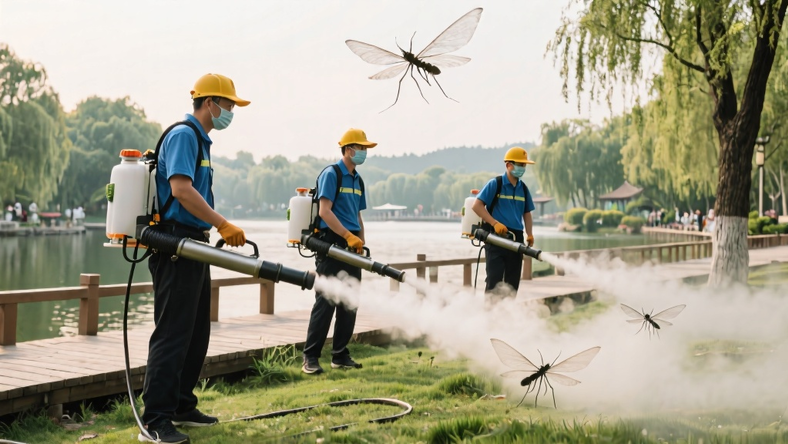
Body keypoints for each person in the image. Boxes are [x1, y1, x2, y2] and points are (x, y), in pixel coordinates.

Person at [139, 73, 250, 444]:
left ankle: (182, 406)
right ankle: (155, 420)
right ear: (209, 103)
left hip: (193, 243)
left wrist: (212, 227)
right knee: (172, 334)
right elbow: (181, 191)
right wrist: (222, 224)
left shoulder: (202, 141)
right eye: (229, 105)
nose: (231, 112)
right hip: (174, 244)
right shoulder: (184, 136)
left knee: (195, 331)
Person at [302, 128, 375, 375]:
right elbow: (324, 211)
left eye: (365, 148)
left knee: (350, 302)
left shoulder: (358, 179)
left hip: (352, 243)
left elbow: (357, 214)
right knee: (327, 300)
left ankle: (340, 355)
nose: (364, 152)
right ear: (347, 149)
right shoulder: (332, 174)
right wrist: (347, 236)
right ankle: (310, 357)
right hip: (331, 241)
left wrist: (361, 242)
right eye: (361, 148)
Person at [472, 147, 536, 299]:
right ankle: (489, 317)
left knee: (512, 283)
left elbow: (527, 213)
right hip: (496, 238)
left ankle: (507, 318)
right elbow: (477, 206)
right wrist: (494, 223)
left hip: (517, 239)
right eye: (520, 164)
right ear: (508, 165)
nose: (523, 168)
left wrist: (530, 233)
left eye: (524, 165)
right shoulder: (496, 184)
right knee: (494, 281)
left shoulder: (524, 189)